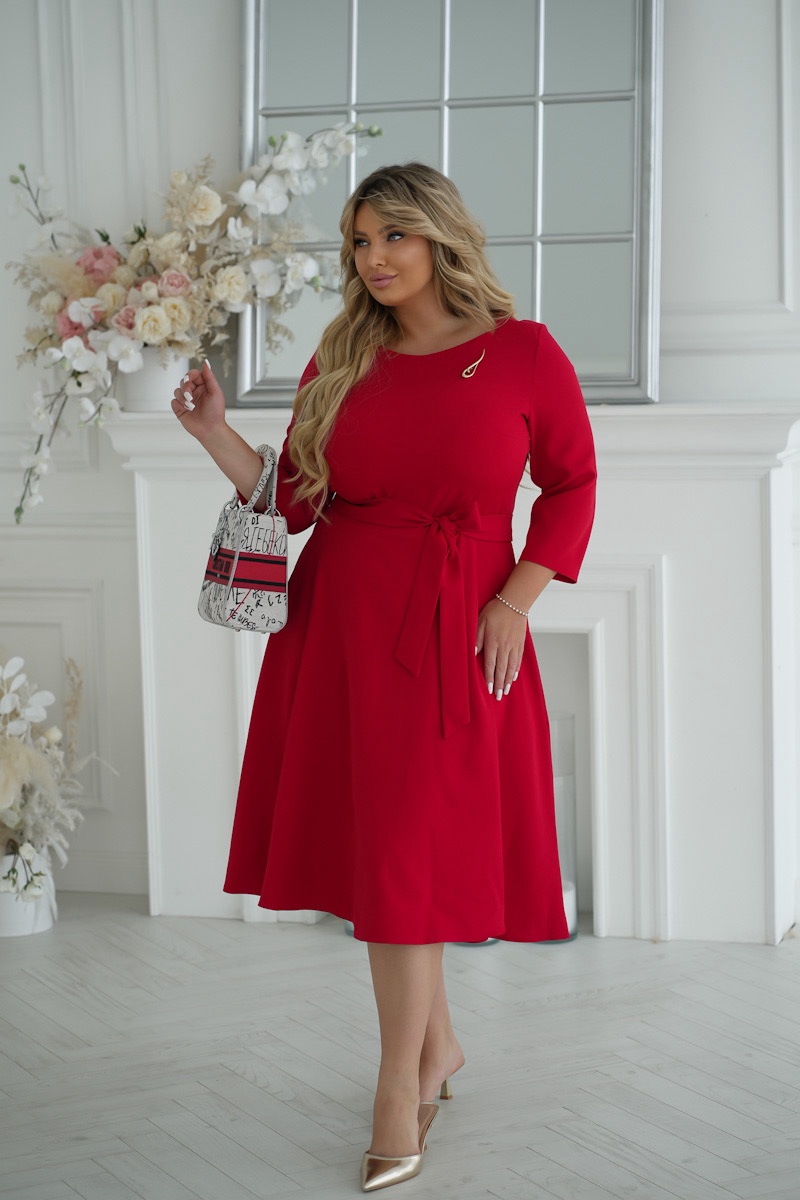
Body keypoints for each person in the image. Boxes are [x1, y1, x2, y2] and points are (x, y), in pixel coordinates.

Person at [172, 162, 596, 1193]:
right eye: (358, 242)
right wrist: (213, 431)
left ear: (439, 237)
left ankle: (397, 1086)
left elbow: (572, 484)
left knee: (410, 856)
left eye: (391, 237)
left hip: (459, 626)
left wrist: (514, 601)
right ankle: (432, 1052)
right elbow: (293, 500)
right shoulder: (344, 352)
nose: (372, 259)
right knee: (389, 856)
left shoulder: (523, 353)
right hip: (342, 627)